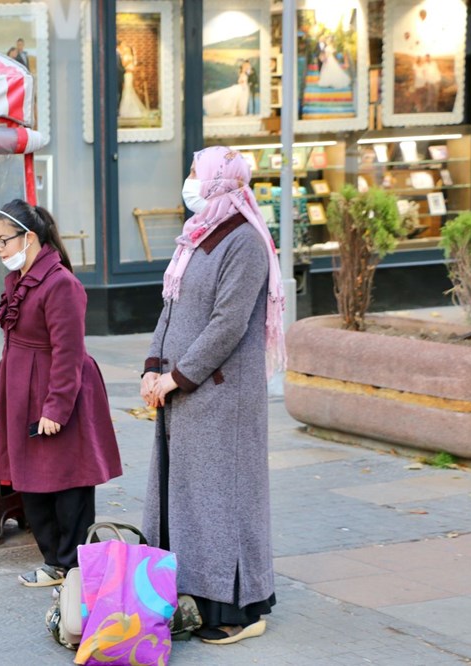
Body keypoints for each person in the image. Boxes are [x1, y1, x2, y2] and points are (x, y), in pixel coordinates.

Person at [139, 146, 286, 645]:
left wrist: (178, 376)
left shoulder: (244, 241)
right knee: (190, 501)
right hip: (184, 393)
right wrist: (152, 367)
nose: (187, 181)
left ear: (219, 182)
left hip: (223, 398)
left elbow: (228, 324)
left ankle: (240, 610)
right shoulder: (196, 238)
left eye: (193, 173)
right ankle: (198, 596)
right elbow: (171, 307)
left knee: (224, 500)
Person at [0, 200, 122, 587]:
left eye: (4, 241)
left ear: (29, 238)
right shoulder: (18, 278)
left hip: (57, 389)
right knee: (29, 476)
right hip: (24, 388)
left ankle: (71, 565)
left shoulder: (61, 283)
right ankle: (54, 562)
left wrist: (57, 408)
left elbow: (69, 352)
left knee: (68, 478)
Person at [117, 41, 149, 120]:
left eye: (126, 49)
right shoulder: (125, 56)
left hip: (128, 75)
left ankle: (128, 109)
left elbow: (125, 65)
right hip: (126, 74)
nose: (124, 49)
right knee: (127, 91)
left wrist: (125, 66)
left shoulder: (128, 57)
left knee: (128, 90)